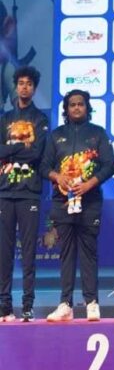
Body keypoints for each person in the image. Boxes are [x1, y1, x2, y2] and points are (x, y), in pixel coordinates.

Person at [41, 90, 114, 321]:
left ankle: (92, 302)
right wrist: (57, 177)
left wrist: (89, 184)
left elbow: (109, 165)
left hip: (90, 203)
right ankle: (65, 304)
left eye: (80, 104)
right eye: (72, 105)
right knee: (66, 254)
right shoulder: (56, 136)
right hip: (62, 203)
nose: (76, 108)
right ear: (66, 109)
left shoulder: (98, 133)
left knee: (89, 254)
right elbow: (43, 166)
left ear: (87, 107)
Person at [0, 67, 48, 322]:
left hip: (29, 192)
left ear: (34, 88)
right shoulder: (5, 119)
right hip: (5, 192)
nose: (24, 87)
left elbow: (37, 153)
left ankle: (27, 305)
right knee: (4, 252)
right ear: (16, 86)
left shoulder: (40, 119)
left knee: (29, 253)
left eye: (29, 83)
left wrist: (10, 150)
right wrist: (20, 148)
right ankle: (4, 306)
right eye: (21, 83)